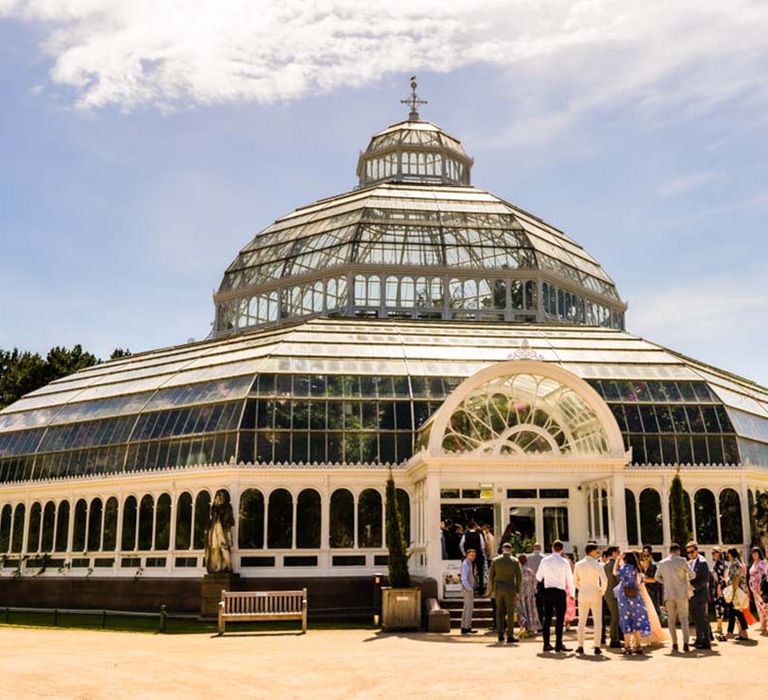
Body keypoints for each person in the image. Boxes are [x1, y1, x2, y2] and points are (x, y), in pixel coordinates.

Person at [536, 539, 574, 653]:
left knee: (547, 619)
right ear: (562, 550)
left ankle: (546, 643)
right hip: (560, 592)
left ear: (552, 548)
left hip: (548, 591)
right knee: (560, 619)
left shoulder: (545, 560)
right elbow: (569, 579)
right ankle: (558, 643)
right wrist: (572, 593)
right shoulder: (564, 562)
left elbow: (538, 576)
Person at [655, 543, 695, 652]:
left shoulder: (663, 563)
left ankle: (674, 643)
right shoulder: (682, 561)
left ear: (669, 551)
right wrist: (685, 579)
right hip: (682, 593)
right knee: (683, 619)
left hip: (669, 593)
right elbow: (693, 575)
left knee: (671, 620)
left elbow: (656, 577)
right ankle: (686, 643)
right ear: (678, 551)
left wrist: (665, 582)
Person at [614, 550, 651, 654]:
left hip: (624, 597)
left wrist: (618, 560)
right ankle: (638, 646)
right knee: (637, 620)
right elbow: (641, 582)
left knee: (626, 620)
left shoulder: (626, 568)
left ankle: (627, 646)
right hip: (636, 596)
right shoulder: (638, 569)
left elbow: (615, 573)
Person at [574, 543, 607, 655]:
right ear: (592, 552)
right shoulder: (598, 565)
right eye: (597, 552)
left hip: (583, 593)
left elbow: (575, 581)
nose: (597, 554)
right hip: (595, 593)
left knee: (581, 621)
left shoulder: (578, 564)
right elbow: (604, 580)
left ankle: (580, 646)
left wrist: (582, 588)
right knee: (597, 621)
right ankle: (597, 646)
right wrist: (602, 591)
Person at [487, 541, 522, 644]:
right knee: (510, 613)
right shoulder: (515, 561)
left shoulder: (495, 560)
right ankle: (510, 635)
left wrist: (492, 588)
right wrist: (517, 589)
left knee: (499, 612)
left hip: (498, 589)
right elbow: (519, 577)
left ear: (502, 549)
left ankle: (500, 634)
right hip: (510, 588)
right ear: (510, 549)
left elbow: (490, 576)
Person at [687, 541, 712, 650]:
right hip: (692, 595)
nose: (690, 554)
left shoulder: (702, 562)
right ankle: (699, 639)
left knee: (702, 618)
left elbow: (705, 580)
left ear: (696, 551)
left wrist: (694, 587)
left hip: (700, 594)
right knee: (696, 618)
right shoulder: (690, 562)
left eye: (692, 551)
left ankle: (706, 641)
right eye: (688, 552)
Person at [725, 547, 749, 641]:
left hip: (736, 590)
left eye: (728, 554)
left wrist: (733, 592)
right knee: (736, 611)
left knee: (734, 610)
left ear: (730, 554)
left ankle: (731, 632)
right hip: (738, 589)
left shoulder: (734, 564)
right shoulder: (736, 562)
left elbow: (736, 578)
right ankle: (741, 632)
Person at [516, 553, 541, 636]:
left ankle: (524, 623)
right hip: (530, 594)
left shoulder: (517, 572)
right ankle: (531, 627)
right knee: (530, 609)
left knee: (521, 609)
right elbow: (535, 583)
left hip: (520, 593)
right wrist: (534, 591)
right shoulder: (530, 571)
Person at [603, 546, 622, 648]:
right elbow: (619, 579)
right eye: (618, 552)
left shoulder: (605, 565)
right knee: (616, 616)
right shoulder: (615, 564)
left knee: (615, 616)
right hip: (615, 593)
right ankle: (614, 639)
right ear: (614, 553)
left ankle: (615, 638)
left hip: (608, 593)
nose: (619, 553)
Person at [460, 521, 485, 594]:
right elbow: (482, 545)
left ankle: (471, 587)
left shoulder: (465, 535)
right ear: (475, 526)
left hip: (468, 556)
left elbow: (461, 545)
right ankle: (480, 588)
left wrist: (465, 554)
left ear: (468, 527)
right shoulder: (479, 534)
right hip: (478, 555)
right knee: (480, 572)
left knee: (468, 572)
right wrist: (481, 553)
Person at [748, 546, 768, 633]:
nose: (754, 555)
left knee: (764, 606)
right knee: (758, 607)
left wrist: (761, 587)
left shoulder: (763, 562)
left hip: (761, 587)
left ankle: (765, 625)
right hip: (754, 589)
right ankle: (762, 625)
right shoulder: (754, 563)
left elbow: (764, 575)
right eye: (753, 553)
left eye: (756, 553)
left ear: (759, 553)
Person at [711, 546, 728, 640]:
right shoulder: (721, 563)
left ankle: (719, 627)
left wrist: (718, 587)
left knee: (719, 606)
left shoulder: (720, 564)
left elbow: (721, 577)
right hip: (719, 587)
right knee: (719, 606)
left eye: (713, 553)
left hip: (719, 588)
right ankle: (719, 626)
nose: (712, 555)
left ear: (718, 553)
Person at [460, 549, 478, 635]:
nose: (473, 557)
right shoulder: (465, 564)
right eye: (471, 555)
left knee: (467, 608)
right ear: (467, 555)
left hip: (468, 588)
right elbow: (464, 578)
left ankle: (465, 626)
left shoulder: (469, 563)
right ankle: (466, 627)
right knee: (469, 608)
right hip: (467, 589)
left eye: (474, 555)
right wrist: (469, 588)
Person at [640, 545, 661, 615]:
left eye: (647, 555)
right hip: (643, 593)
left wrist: (643, 579)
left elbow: (655, 579)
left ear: (651, 556)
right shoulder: (640, 566)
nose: (645, 557)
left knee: (653, 613)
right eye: (643, 555)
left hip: (652, 593)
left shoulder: (654, 566)